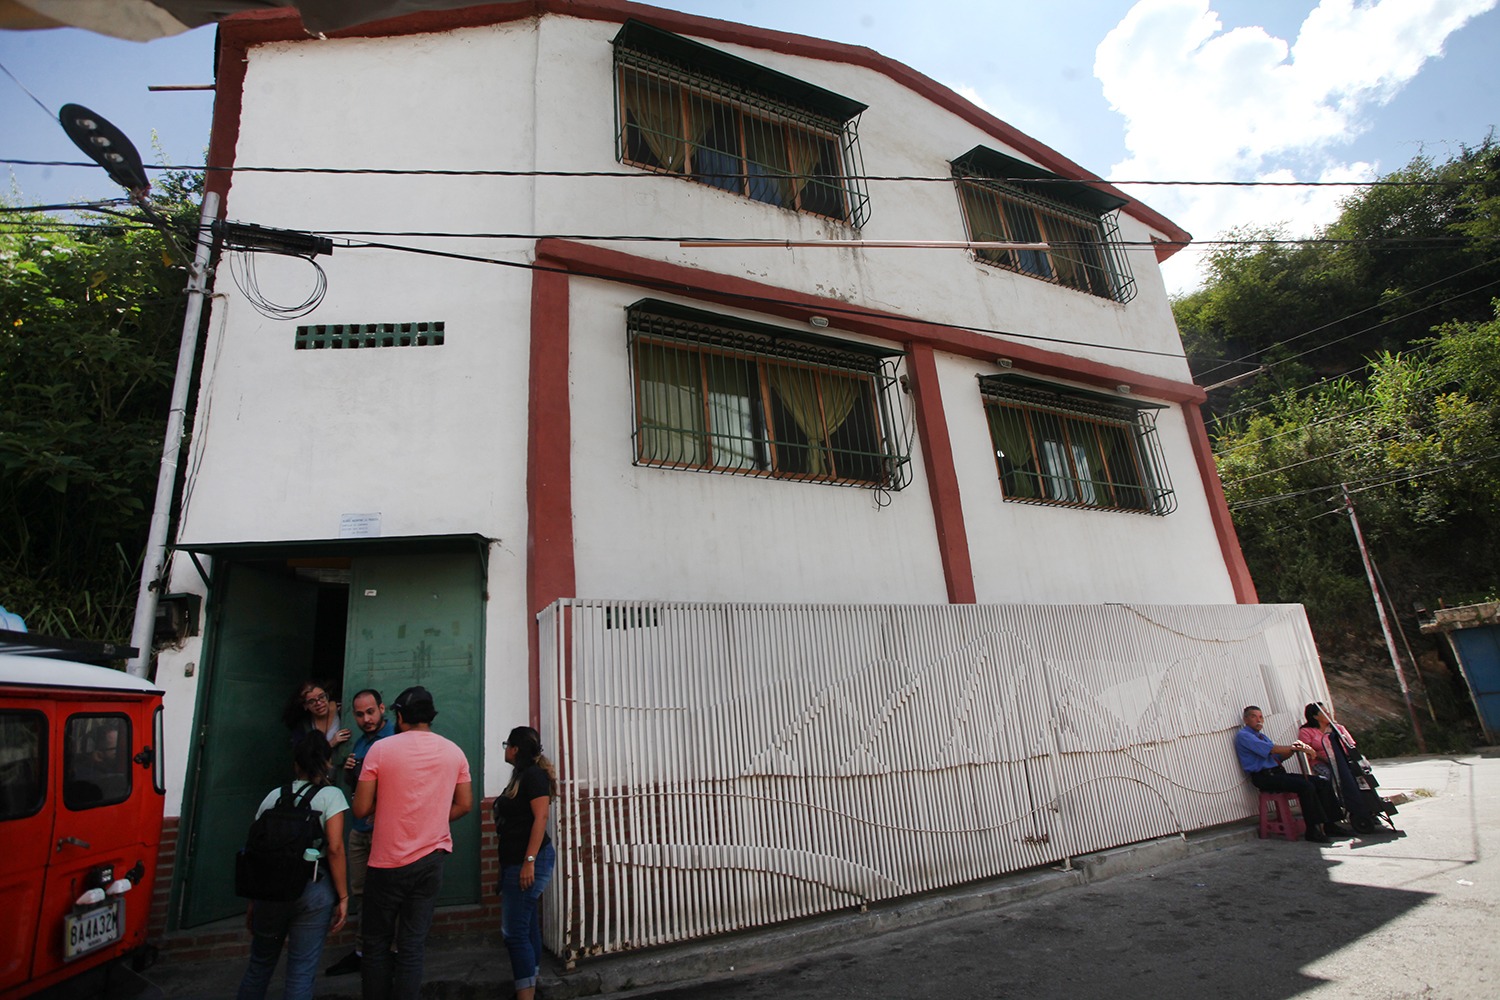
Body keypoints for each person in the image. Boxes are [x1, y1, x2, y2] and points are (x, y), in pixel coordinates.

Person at [352, 686, 472, 1000]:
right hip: (431, 860)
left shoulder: (381, 750)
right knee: (411, 945)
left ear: (401, 716)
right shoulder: (454, 752)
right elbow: (465, 804)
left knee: (376, 944)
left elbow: (361, 809)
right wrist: (432, 817)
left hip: (386, 862)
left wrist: (383, 807)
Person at [236, 732, 349, 1000]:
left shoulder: (273, 796)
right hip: (312, 888)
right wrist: (343, 896)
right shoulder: (331, 796)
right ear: (327, 762)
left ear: (296, 764)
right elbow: (335, 848)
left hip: (269, 890)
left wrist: (253, 900)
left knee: (259, 964)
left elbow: (256, 849)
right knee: (301, 970)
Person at [325, 689, 396, 978]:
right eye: (359, 714)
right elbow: (358, 785)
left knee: (389, 893)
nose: (366, 719)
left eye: (370, 712)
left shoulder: (394, 738)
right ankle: (362, 952)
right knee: (362, 892)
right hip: (360, 829)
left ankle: (391, 952)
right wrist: (349, 772)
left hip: (385, 829)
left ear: (382, 708)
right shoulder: (361, 741)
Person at [493, 726, 557, 1000]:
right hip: (515, 861)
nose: (505, 749)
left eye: (507, 744)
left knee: (514, 933)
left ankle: (526, 994)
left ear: (515, 749)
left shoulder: (533, 776)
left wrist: (529, 861)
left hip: (530, 861)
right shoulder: (520, 776)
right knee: (526, 925)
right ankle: (531, 983)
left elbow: (541, 818)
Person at [1233, 705, 1347, 843]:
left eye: (1261, 717)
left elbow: (1278, 757)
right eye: (1254, 717)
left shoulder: (1262, 737)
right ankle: (1312, 830)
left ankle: (1331, 825)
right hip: (1264, 777)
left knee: (1321, 781)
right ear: (1246, 719)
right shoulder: (1244, 736)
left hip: (1277, 773)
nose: (1259, 720)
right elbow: (1272, 750)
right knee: (1306, 786)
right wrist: (1296, 748)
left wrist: (1293, 749)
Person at [1298, 702, 1377, 831]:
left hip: (1343, 760)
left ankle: (1367, 805)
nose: (1328, 713)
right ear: (1315, 716)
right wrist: (1325, 759)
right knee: (1328, 777)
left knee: (1360, 774)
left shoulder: (1338, 728)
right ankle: (1337, 808)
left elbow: (1350, 745)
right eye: (1324, 712)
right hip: (1322, 761)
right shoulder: (1306, 731)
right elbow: (1307, 749)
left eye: (1327, 711)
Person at [284, 679, 352, 750]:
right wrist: (331, 744)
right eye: (312, 701)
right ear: (305, 705)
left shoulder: (343, 711)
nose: (319, 703)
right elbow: (304, 754)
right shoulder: (303, 726)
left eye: (322, 697)